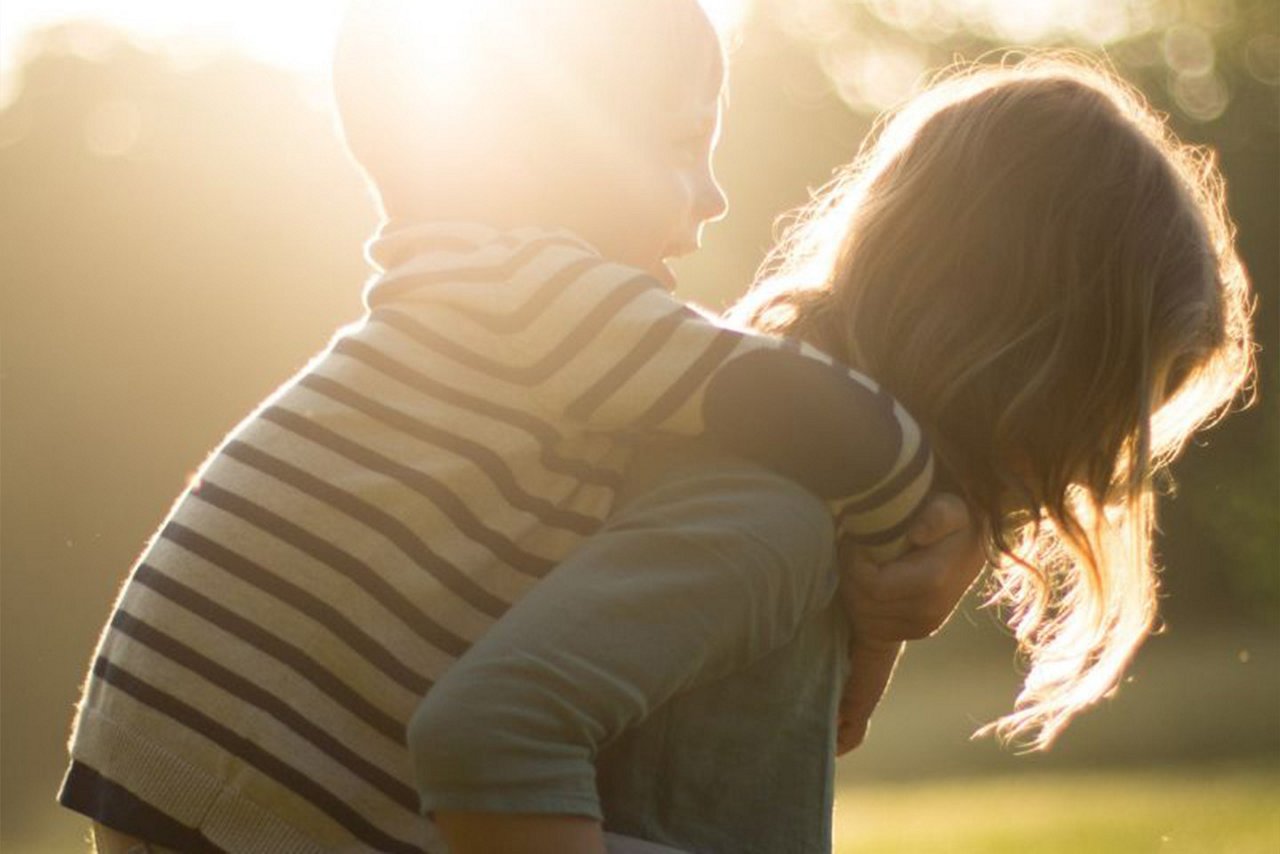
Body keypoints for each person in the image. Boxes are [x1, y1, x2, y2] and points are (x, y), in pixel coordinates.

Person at [59, 3, 975, 852]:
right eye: (684, 146)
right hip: (254, 758)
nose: (714, 196)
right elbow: (810, 408)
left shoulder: (477, 293)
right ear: (542, 148)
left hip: (186, 741)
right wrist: (923, 536)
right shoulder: (535, 295)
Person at [407, 56, 1255, 852]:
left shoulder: (820, 517)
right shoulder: (770, 525)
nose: (1103, 468)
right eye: (1110, 413)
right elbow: (492, 728)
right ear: (1022, 353)